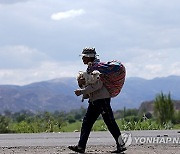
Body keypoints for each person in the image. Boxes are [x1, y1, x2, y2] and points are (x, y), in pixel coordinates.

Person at [68, 47, 126, 153]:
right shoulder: (91, 69)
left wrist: (81, 91)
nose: (83, 59)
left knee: (109, 122)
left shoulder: (96, 70)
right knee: (87, 122)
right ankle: (81, 146)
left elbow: (97, 86)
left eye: (84, 57)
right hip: (96, 100)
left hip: (101, 99)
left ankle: (121, 145)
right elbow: (92, 85)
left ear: (89, 57)